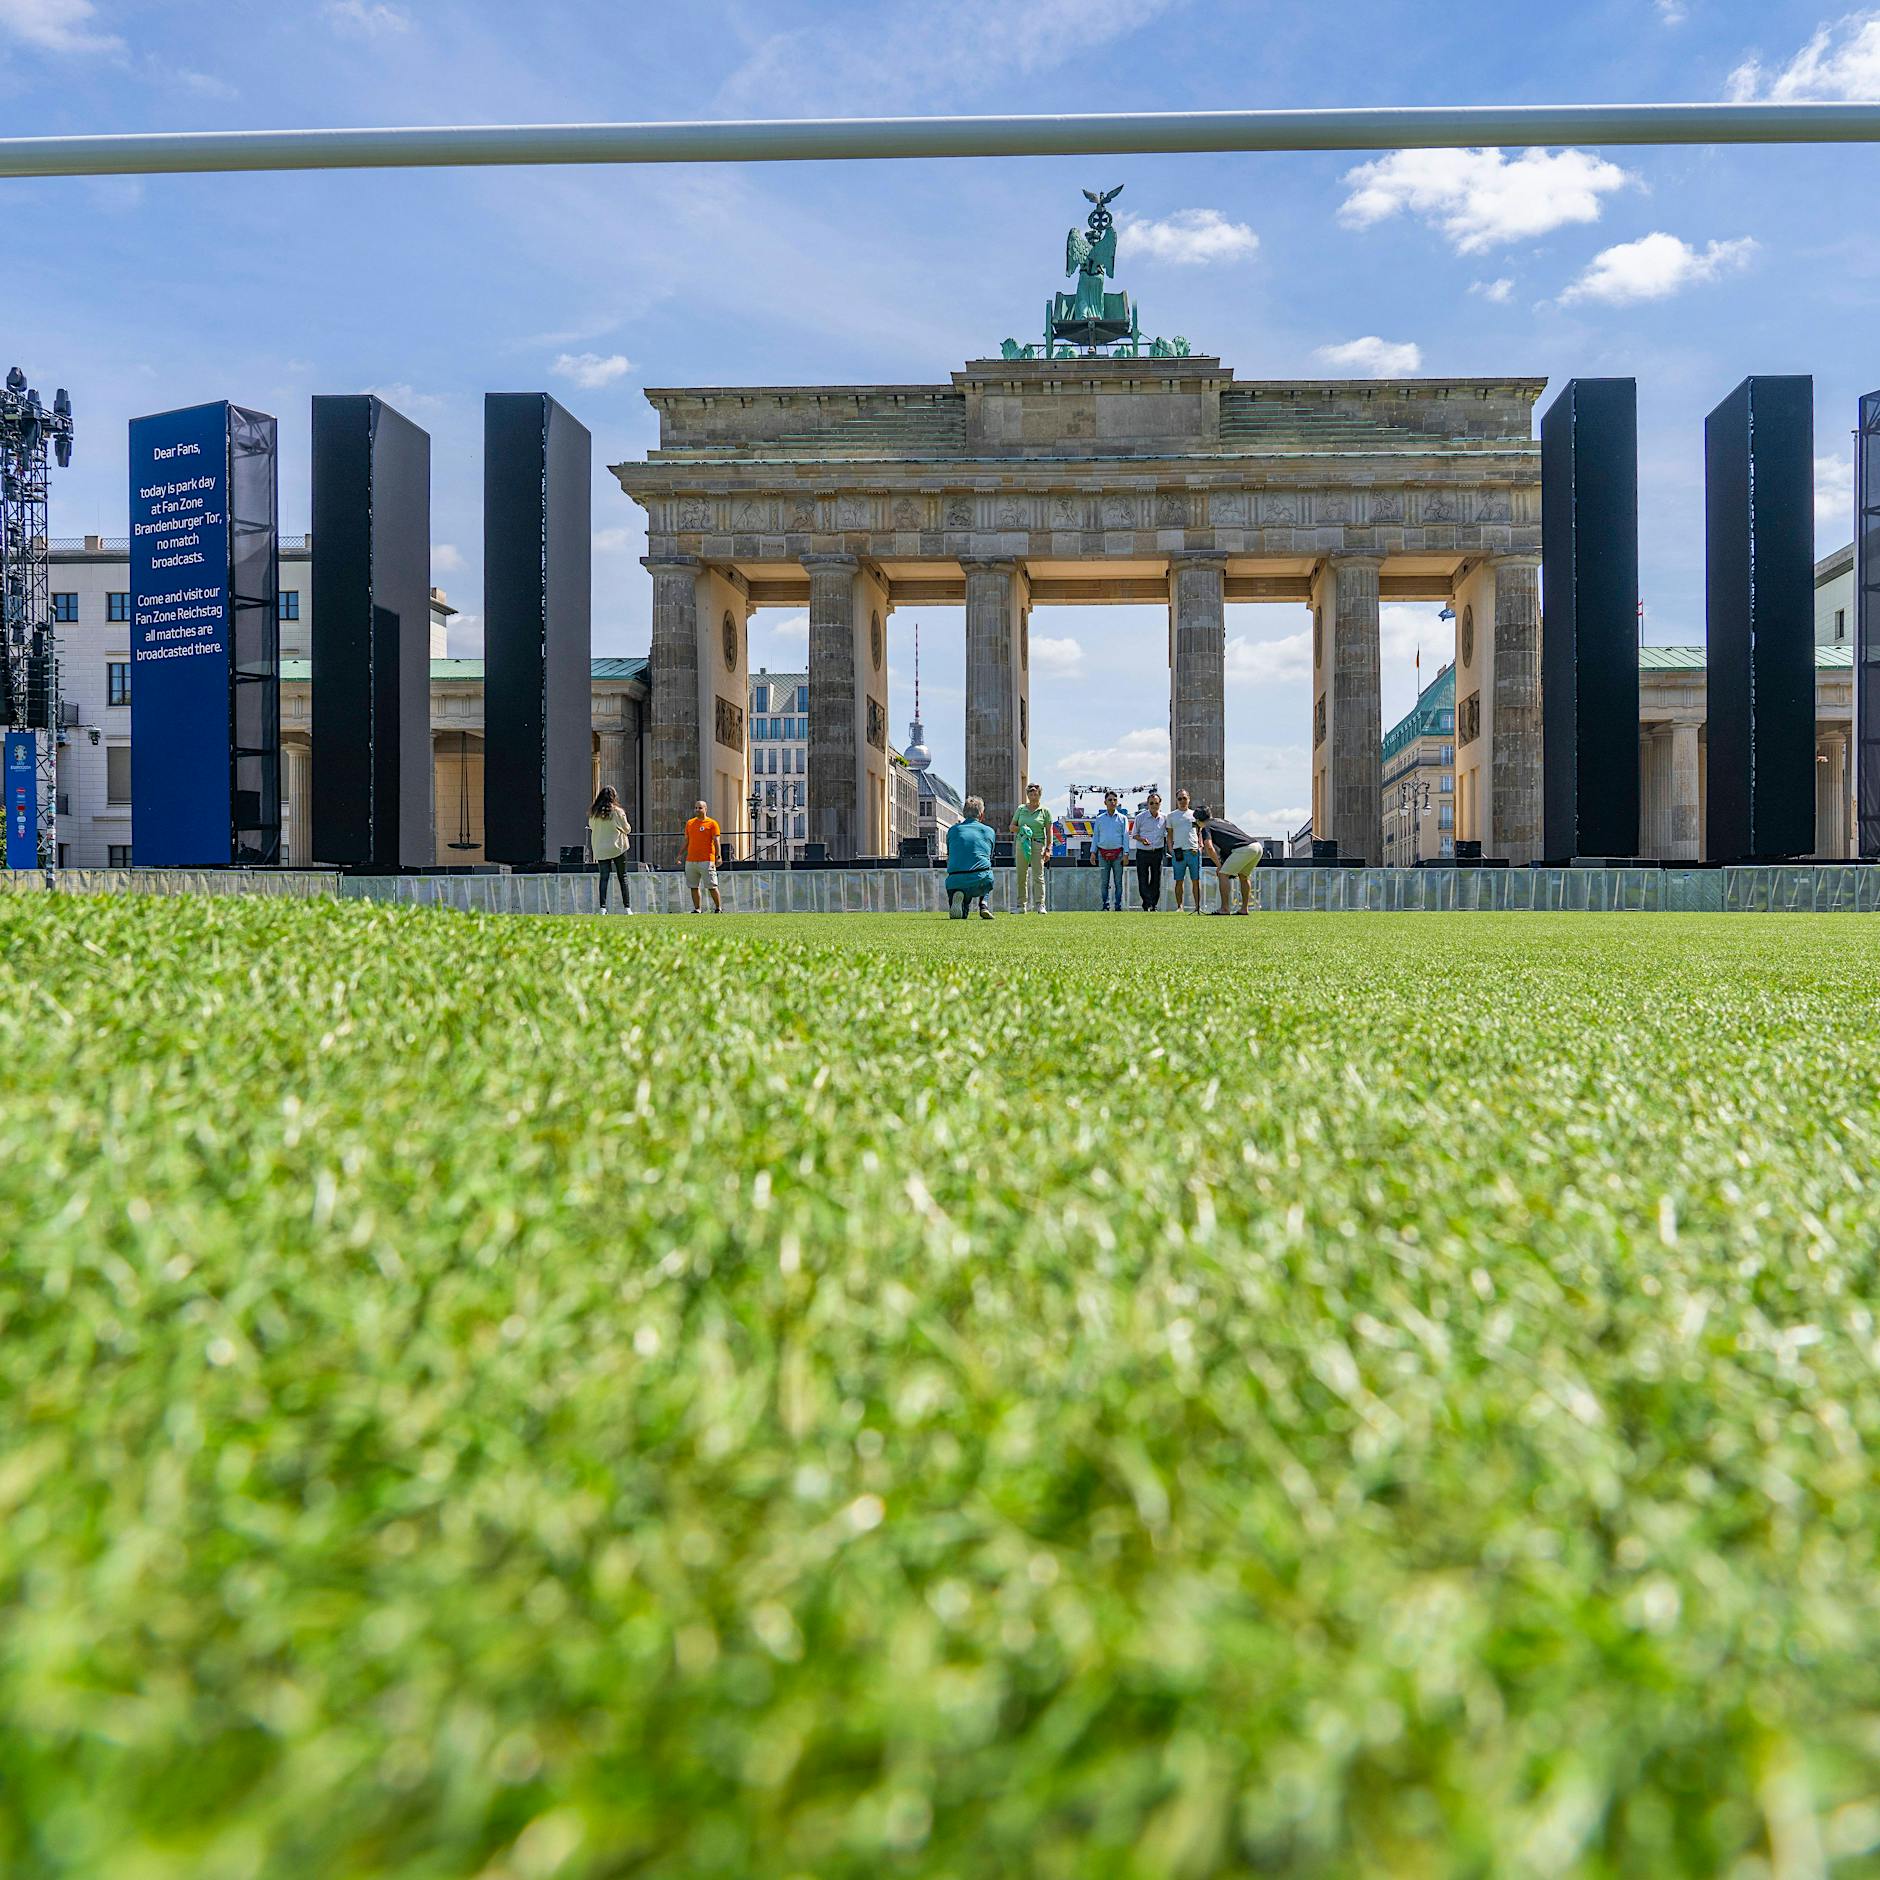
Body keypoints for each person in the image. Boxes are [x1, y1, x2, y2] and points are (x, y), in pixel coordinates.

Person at [1197, 805, 1262, 915]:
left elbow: (1208, 846)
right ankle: (1244, 909)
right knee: (1243, 876)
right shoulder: (1224, 821)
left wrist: (1219, 865)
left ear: (1198, 821)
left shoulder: (1206, 826)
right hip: (1257, 846)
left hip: (1244, 849)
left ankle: (1225, 909)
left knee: (1223, 874)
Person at [945, 795, 996, 920]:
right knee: (987, 873)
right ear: (981, 815)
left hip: (954, 879)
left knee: (962, 911)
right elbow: (989, 855)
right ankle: (984, 904)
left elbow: (949, 854)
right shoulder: (989, 831)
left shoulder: (953, 830)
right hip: (980, 878)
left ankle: (960, 898)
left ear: (964, 814)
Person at [588, 785, 633, 915]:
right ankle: (627, 908)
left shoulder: (594, 812)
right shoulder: (618, 811)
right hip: (617, 847)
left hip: (601, 849)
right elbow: (627, 829)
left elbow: (591, 826)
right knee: (622, 877)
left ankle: (602, 908)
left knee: (603, 878)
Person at [1011, 781, 1053, 915]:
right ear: (1027, 794)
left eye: (1035, 791)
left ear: (1040, 794)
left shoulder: (1045, 811)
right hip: (1022, 843)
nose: (1033, 793)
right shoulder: (1021, 809)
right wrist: (1021, 829)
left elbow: (1049, 831)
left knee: (1038, 875)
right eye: (1030, 791)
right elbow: (1012, 827)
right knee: (1021, 875)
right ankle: (1021, 905)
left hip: (1037, 844)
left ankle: (1040, 904)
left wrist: (1048, 849)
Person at [682, 799, 723, 914]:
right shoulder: (690, 823)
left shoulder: (712, 823)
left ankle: (718, 908)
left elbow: (716, 840)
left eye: (700, 808)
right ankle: (697, 909)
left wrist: (718, 856)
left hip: (707, 860)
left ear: (705, 809)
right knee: (693, 886)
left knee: (711, 885)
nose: (697, 810)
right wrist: (680, 855)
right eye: (696, 808)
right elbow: (687, 841)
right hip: (691, 860)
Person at [1130, 789, 1168, 912]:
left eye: (1156, 803)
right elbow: (1134, 834)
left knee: (1156, 879)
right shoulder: (1140, 817)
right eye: (1151, 803)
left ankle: (1154, 904)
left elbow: (1168, 833)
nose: (1154, 806)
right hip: (1143, 852)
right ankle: (1147, 903)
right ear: (1148, 804)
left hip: (1157, 852)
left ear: (1160, 804)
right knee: (1143, 878)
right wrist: (1142, 840)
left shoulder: (1164, 818)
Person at [1092, 788, 1129, 913]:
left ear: (1117, 802)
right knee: (1104, 882)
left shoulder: (1123, 818)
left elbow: (1125, 836)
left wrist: (1126, 854)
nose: (1112, 802)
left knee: (1118, 882)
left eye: (1114, 800)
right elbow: (1095, 836)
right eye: (1110, 800)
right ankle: (1105, 905)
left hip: (1118, 854)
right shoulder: (1099, 819)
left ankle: (1117, 905)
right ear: (1105, 802)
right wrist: (1093, 853)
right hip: (1102, 854)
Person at [1167, 787, 1202, 914]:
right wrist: (1171, 849)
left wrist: (1200, 845)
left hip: (1193, 851)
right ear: (1176, 800)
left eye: (1184, 798)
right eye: (1179, 798)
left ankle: (1197, 907)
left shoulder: (1195, 814)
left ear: (1189, 799)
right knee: (1179, 880)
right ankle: (1180, 906)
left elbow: (1199, 832)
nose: (1182, 800)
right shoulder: (1171, 816)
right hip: (1179, 852)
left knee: (1196, 880)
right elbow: (1169, 834)